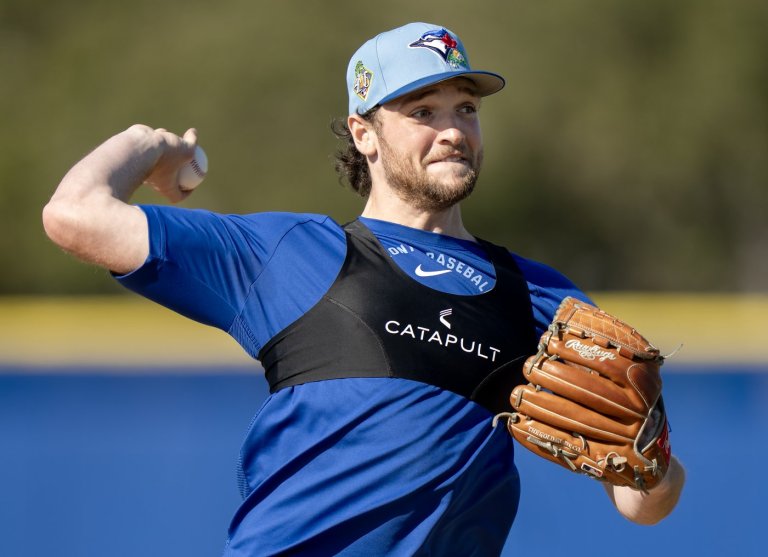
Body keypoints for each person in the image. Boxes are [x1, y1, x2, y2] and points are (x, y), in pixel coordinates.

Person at [43, 22, 685, 557]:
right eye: (423, 112)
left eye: (466, 108)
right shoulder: (291, 253)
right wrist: (146, 143)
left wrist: (651, 453)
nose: (454, 130)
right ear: (363, 133)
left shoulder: (538, 296)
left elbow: (642, 502)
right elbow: (74, 215)